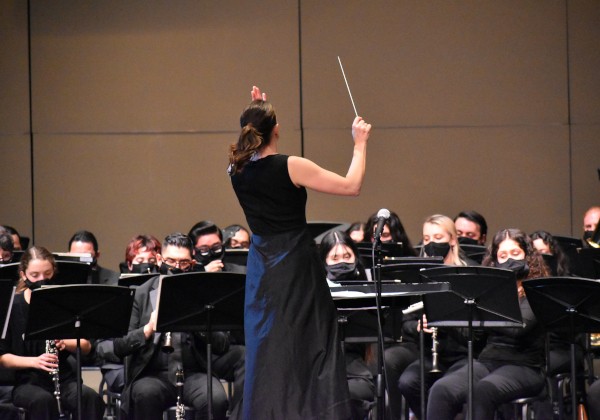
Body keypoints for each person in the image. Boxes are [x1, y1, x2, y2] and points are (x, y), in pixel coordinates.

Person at [229, 86, 371, 419]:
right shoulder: (290, 166)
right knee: (310, 346)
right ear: (276, 129)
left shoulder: (234, 169)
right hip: (294, 265)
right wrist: (360, 143)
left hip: (262, 270)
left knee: (268, 351)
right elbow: (352, 186)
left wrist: (259, 107)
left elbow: (253, 135)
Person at [112, 233, 245, 420]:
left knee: (216, 399)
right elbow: (119, 345)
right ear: (159, 260)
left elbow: (222, 344)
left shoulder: (203, 295)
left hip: (193, 373)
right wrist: (149, 328)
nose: (176, 268)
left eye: (183, 263)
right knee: (144, 395)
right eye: (171, 261)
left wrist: (196, 322)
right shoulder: (140, 294)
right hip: (152, 374)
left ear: (192, 262)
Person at [426, 228, 550, 420]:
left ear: (528, 256)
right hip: (488, 361)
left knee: (482, 391)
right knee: (441, 389)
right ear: (495, 261)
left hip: (525, 366)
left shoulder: (537, 289)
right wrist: (446, 318)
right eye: (503, 255)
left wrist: (482, 307)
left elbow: (518, 327)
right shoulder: (489, 292)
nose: (509, 259)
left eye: (515, 253)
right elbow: (473, 337)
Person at [0, 247, 105, 420]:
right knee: (43, 401)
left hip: (64, 379)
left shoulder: (63, 303)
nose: (42, 280)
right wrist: (35, 361)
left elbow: (86, 346)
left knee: (89, 397)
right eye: (35, 275)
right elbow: (3, 358)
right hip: (28, 382)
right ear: (23, 274)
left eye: (47, 274)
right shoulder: (13, 306)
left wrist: (65, 342)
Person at [395, 214, 473, 418]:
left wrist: (446, 320)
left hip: (464, 354)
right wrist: (418, 326)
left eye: (438, 238)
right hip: (431, 353)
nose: (431, 244)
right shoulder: (421, 276)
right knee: (407, 382)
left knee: (445, 389)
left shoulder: (468, 273)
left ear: (452, 240)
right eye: (427, 239)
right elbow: (405, 322)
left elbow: (478, 326)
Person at [319, 230, 374, 419]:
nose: (342, 262)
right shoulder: (314, 293)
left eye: (347, 256)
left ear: (356, 259)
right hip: (320, 366)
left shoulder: (368, 292)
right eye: (334, 258)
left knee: (354, 394)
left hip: (354, 369)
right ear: (324, 262)